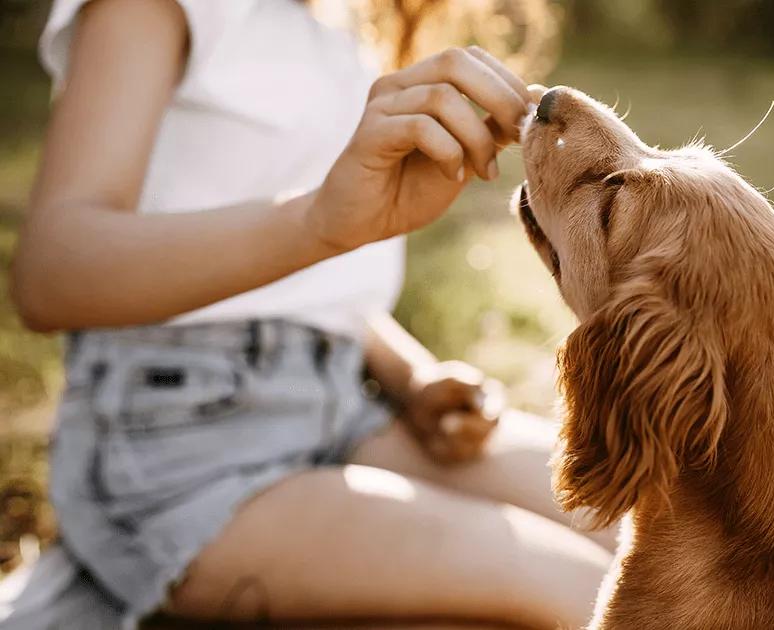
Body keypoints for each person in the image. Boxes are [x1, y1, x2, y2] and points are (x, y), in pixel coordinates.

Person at [4, 0, 611, 628]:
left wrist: (410, 375)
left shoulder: (337, 20)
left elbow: (300, 290)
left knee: (668, 530)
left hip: (343, 409)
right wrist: (319, 221)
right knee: (585, 593)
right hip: (180, 453)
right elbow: (51, 274)